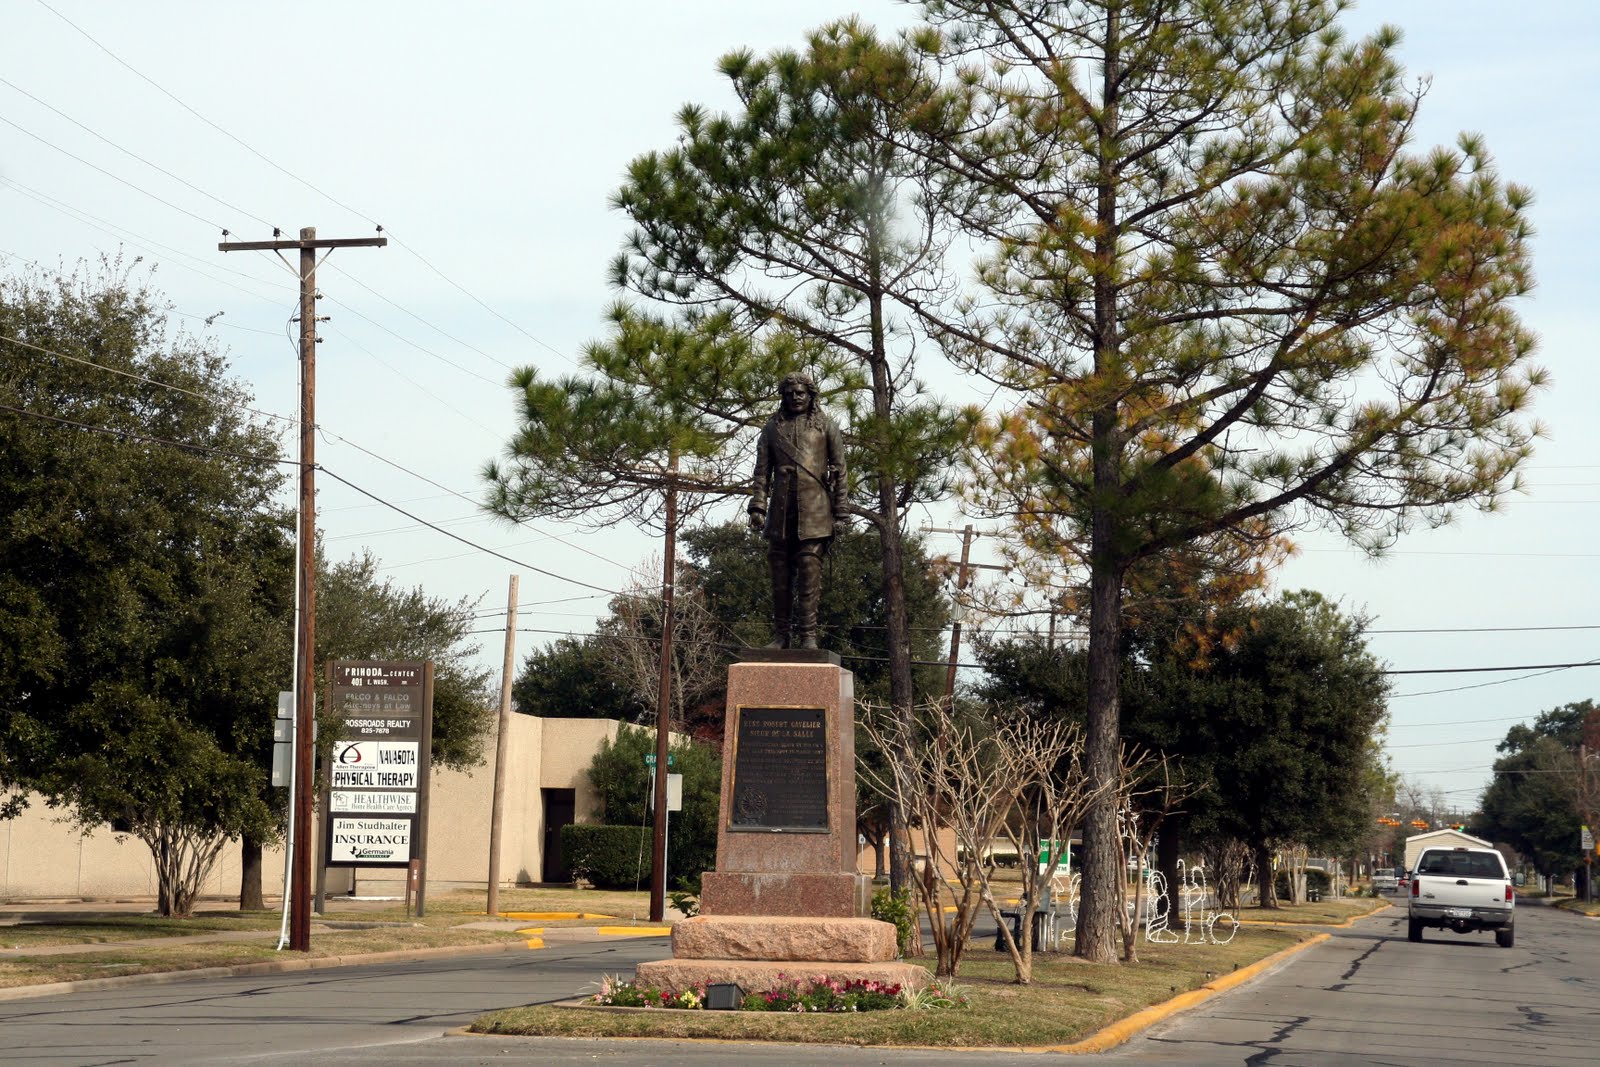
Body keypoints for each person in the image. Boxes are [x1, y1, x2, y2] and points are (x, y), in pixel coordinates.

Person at [748, 372, 847, 649]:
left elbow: (840, 471)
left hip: (815, 511)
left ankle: (808, 636)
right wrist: (758, 506)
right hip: (780, 511)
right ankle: (781, 635)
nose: (795, 398)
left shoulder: (826, 427)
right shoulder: (771, 429)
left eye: (800, 393)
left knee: (808, 574)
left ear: (811, 395)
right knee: (780, 577)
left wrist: (841, 512)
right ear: (783, 397)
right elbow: (761, 472)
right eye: (789, 393)